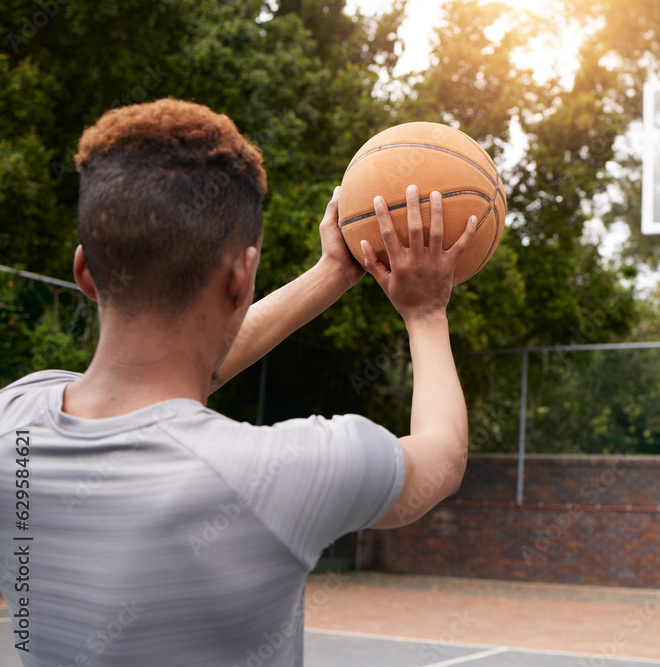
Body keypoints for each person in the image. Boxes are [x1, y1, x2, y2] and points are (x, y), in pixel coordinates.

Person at [0, 98, 477, 666]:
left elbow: (166, 376)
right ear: (242, 277)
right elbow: (442, 458)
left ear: (86, 272)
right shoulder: (280, 471)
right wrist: (425, 312)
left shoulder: (15, 420)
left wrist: (334, 272)